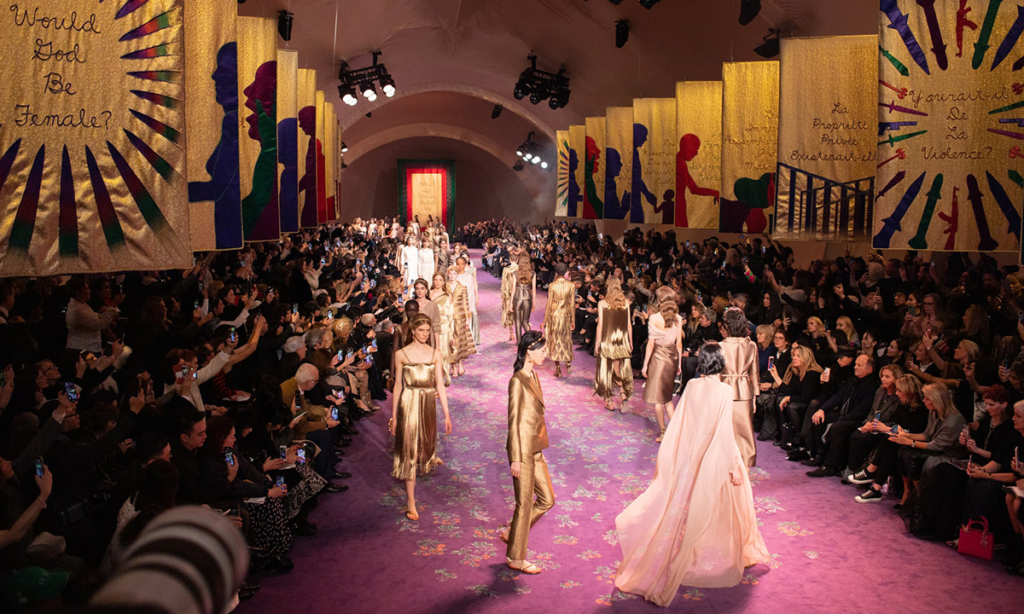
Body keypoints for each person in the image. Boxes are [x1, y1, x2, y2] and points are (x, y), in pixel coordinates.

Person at [615, 342, 770, 606]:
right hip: (716, 454)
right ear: (719, 362)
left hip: (692, 454)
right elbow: (723, 431)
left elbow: (682, 422)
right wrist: (734, 465)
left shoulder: (692, 386)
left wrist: (678, 455)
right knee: (728, 503)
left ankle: (694, 550)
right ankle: (713, 552)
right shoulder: (724, 390)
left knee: (691, 505)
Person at [499, 331, 554, 575]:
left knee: (547, 500)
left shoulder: (534, 375)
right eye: (543, 350)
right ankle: (516, 557)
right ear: (529, 352)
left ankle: (512, 533)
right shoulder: (517, 381)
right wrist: (517, 458)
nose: (547, 353)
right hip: (523, 453)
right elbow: (514, 422)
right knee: (523, 504)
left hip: (536, 449)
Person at [389, 314, 452, 521]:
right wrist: (395, 417)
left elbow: (440, 385)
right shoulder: (401, 354)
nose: (424, 334)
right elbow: (398, 386)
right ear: (413, 331)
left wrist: (447, 414)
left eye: (427, 330)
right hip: (408, 403)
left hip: (427, 404)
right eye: (421, 330)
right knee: (410, 453)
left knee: (425, 445)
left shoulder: (435, 353)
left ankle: (431, 456)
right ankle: (411, 501)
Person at [720, 308, 760, 467]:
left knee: (724, 432)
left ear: (728, 325)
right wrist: (755, 398)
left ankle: (726, 469)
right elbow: (754, 375)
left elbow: (716, 375)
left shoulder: (720, 346)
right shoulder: (751, 346)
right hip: (745, 392)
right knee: (745, 434)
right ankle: (745, 475)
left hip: (724, 390)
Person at [642, 287, 683, 442]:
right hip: (672, 357)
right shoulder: (678, 318)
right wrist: (679, 363)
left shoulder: (654, 319)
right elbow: (679, 344)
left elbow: (650, 345)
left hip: (659, 357)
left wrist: (645, 365)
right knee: (667, 398)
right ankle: (675, 431)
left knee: (658, 399)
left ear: (658, 301)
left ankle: (665, 431)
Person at [594, 279, 633, 411]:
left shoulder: (603, 303)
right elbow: (628, 325)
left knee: (605, 370)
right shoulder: (625, 303)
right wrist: (630, 342)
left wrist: (597, 343)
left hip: (607, 340)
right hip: (621, 341)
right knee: (616, 370)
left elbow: (600, 325)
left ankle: (609, 401)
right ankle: (623, 394)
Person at [543, 263, 576, 378]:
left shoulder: (552, 285)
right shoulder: (571, 285)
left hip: (554, 314)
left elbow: (549, 304)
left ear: (556, 272)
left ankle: (558, 368)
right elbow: (572, 304)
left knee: (555, 339)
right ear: (566, 271)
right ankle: (567, 362)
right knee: (566, 338)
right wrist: (573, 320)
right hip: (566, 314)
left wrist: (545, 320)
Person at [448, 266, 476, 377]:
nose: (452, 275)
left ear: (457, 274)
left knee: (460, 341)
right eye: (450, 273)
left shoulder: (462, 287)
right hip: (448, 317)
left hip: (460, 317)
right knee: (450, 342)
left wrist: (467, 319)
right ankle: (453, 365)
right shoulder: (445, 287)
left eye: (454, 273)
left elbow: (466, 304)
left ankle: (460, 362)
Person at [512, 258, 536, 344]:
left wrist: (511, 302)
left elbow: (513, 289)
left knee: (517, 321)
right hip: (527, 298)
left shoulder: (515, 273)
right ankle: (530, 341)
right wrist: (534, 302)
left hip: (517, 297)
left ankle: (519, 343)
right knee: (525, 322)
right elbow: (533, 289)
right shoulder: (532, 274)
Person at [500, 255, 520, 342]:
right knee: (519, 313)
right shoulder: (520, 269)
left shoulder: (506, 269)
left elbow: (503, 283)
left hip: (508, 293)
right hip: (519, 293)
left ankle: (511, 334)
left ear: (509, 259)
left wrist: (502, 295)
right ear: (517, 259)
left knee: (509, 313)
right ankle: (518, 333)